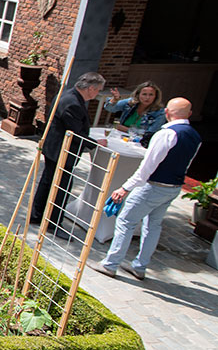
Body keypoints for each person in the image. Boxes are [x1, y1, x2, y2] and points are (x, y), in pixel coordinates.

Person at [93, 98, 200, 280]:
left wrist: (125, 188)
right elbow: (187, 164)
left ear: (166, 112)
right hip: (173, 187)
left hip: (154, 186)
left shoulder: (166, 134)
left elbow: (147, 167)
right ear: (189, 114)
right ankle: (140, 266)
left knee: (126, 221)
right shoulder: (195, 137)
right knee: (153, 225)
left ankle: (110, 264)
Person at [28, 72, 108, 232]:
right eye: (98, 90)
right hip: (61, 151)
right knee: (60, 186)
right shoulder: (73, 103)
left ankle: (37, 215)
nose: (97, 94)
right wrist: (94, 143)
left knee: (48, 182)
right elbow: (76, 132)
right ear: (91, 88)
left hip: (55, 148)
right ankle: (53, 223)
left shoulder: (70, 96)